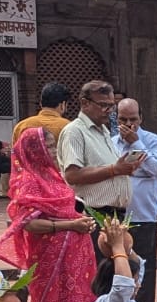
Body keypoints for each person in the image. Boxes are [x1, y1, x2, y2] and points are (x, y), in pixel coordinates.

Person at [0, 127, 106, 302]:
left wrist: (80, 221)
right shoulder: (29, 180)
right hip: (50, 259)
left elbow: (64, 211)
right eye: (49, 147)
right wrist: (69, 226)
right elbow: (28, 224)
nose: (54, 152)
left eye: (54, 146)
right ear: (35, 150)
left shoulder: (55, 176)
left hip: (73, 258)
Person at [58, 82, 143, 247]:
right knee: (98, 270)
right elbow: (73, 175)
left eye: (111, 106)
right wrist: (114, 170)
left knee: (115, 270)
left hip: (115, 216)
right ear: (85, 103)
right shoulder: (74, 131)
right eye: (103, 105)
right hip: (92, 216)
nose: (109, 111)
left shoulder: (103, 131)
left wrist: (124, 169)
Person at [110, 99, 157, 302]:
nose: (129, 124)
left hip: (143, 216)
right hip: (115, 216)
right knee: (114, 268)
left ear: (141, 118)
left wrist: (136, 144)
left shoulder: (151, 141)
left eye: (133, 119)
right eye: (123, 119)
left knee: (143, 270)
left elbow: (156, 169)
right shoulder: (111, 143)